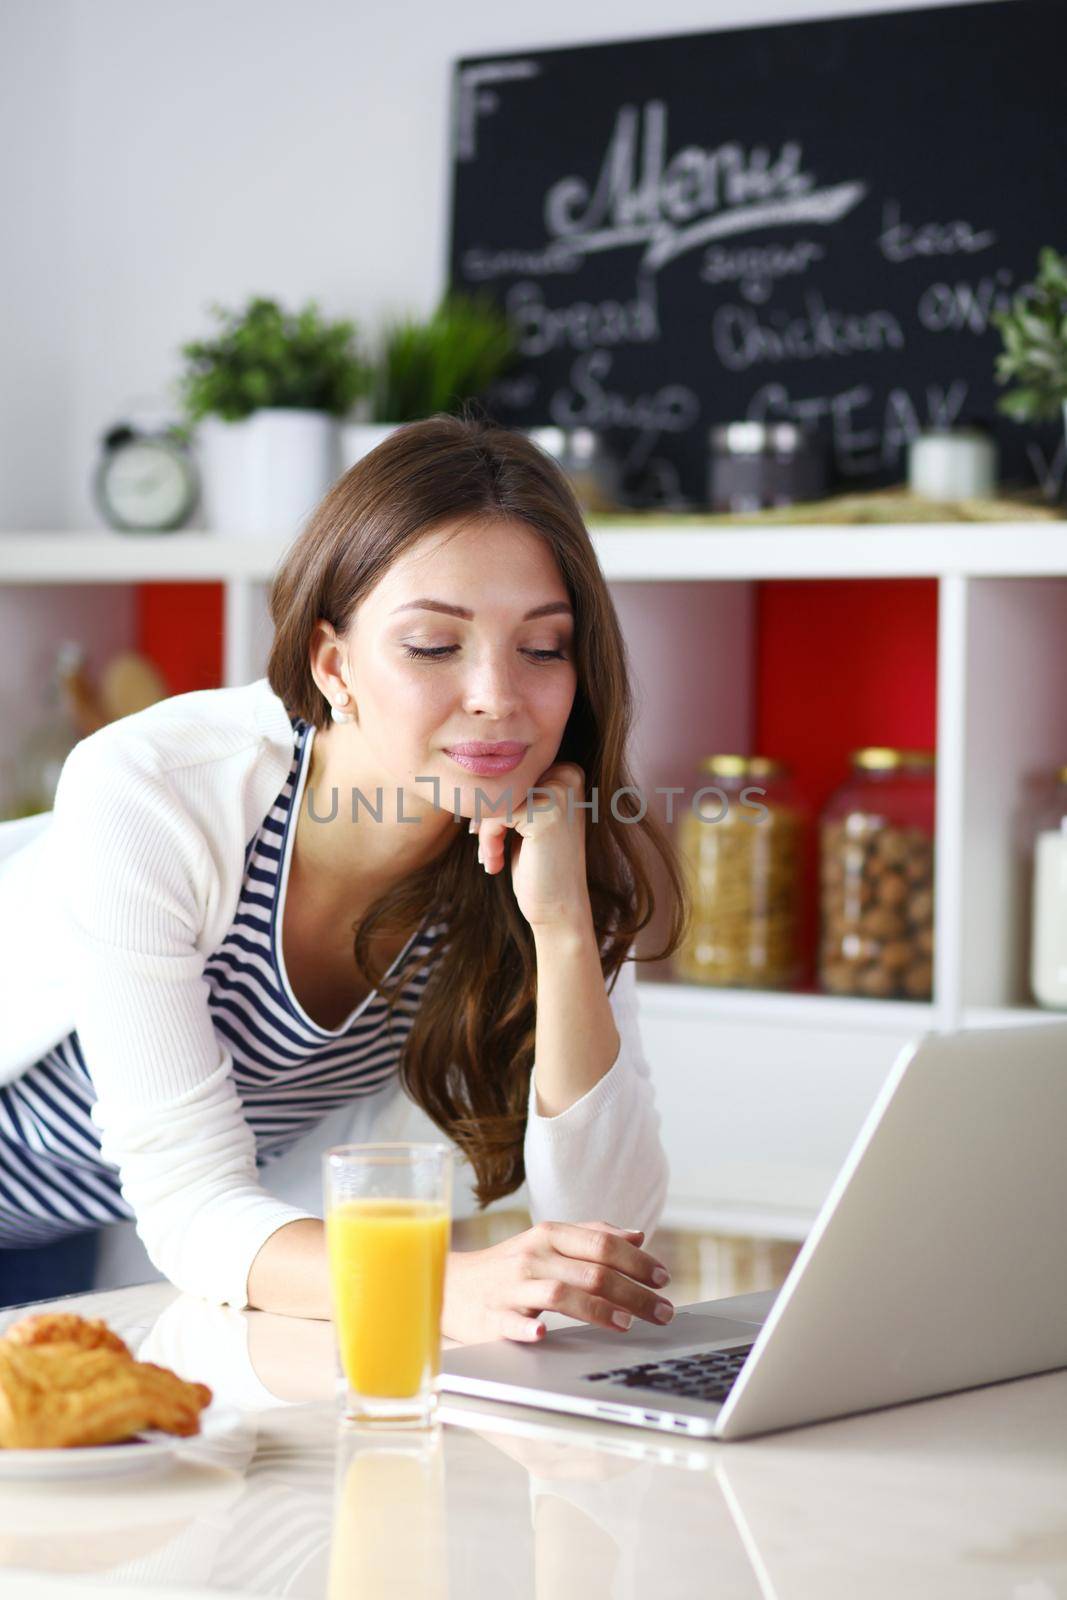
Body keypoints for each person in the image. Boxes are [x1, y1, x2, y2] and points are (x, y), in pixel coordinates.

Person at [0, 414, 689, 1339]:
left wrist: (562, 928)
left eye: (542, 647)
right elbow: (190, 1199)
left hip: (80, 1243)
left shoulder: (542, 848)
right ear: (334, 663)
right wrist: (441, 1287)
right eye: (433, 646)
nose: (496, 694)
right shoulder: (157, 790)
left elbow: (606, 1224)